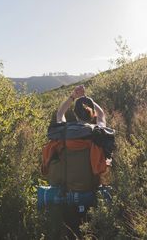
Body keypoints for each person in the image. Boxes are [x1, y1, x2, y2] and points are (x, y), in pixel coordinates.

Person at [42, 85, 109, 239]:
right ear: (91, 114)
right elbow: (102, 114)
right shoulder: (96, 133)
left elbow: (60, 113)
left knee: (69, 229)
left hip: (67, 192)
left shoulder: (64, 132)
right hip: (90, 190)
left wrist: (73, 96)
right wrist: (89, 99)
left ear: (75, 113)